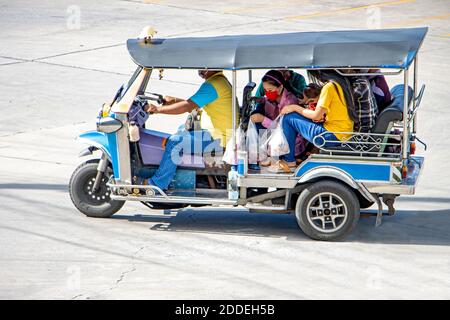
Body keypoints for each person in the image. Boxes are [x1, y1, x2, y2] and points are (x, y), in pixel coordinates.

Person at [144, 70, 235, 190]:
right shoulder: (218, 81)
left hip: (218, 138)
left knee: (175, 141)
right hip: (217, 132)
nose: (201, 70)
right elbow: (195, 104)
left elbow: (188, 106)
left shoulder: (213, 85)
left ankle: (157, 184)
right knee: (181, 129)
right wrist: (174, 101)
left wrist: (157, 110)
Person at [275, 70, 355, 171]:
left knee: (288, 118)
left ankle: (289, 160)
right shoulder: (341, 84)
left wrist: (294, 107)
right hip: (343, 134)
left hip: (331, 135)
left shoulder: (329, 87)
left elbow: (316, 116)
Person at [249, 70, 307, 167]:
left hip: (289, 141)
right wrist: (261, 100)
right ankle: (264, 154)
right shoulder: (273, 97)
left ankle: (271, 156)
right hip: (275, 134)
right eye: (265, 90)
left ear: (280, 87)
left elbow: (283, 129)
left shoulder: (289, 102)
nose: (267, 93)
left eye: (270, 90)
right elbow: (269, 101)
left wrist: (263, 119)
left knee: (260, 123)